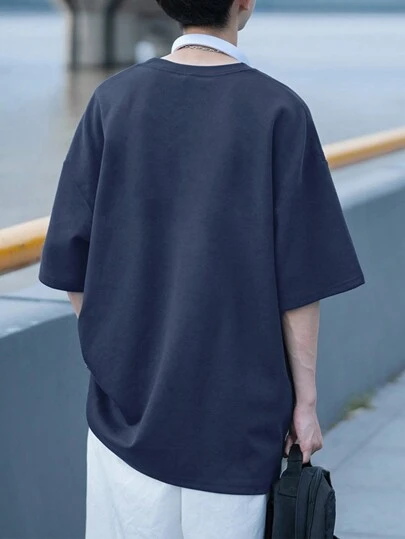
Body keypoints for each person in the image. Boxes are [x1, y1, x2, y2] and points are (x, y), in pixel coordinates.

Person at [38, 0, 365, 537]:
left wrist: (120, 351)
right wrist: (305, 403)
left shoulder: (111, 101)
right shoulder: (279, 110)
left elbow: (71, 260)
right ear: (243, 3)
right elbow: (300, 283)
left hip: (126, 412)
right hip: (238, 419)